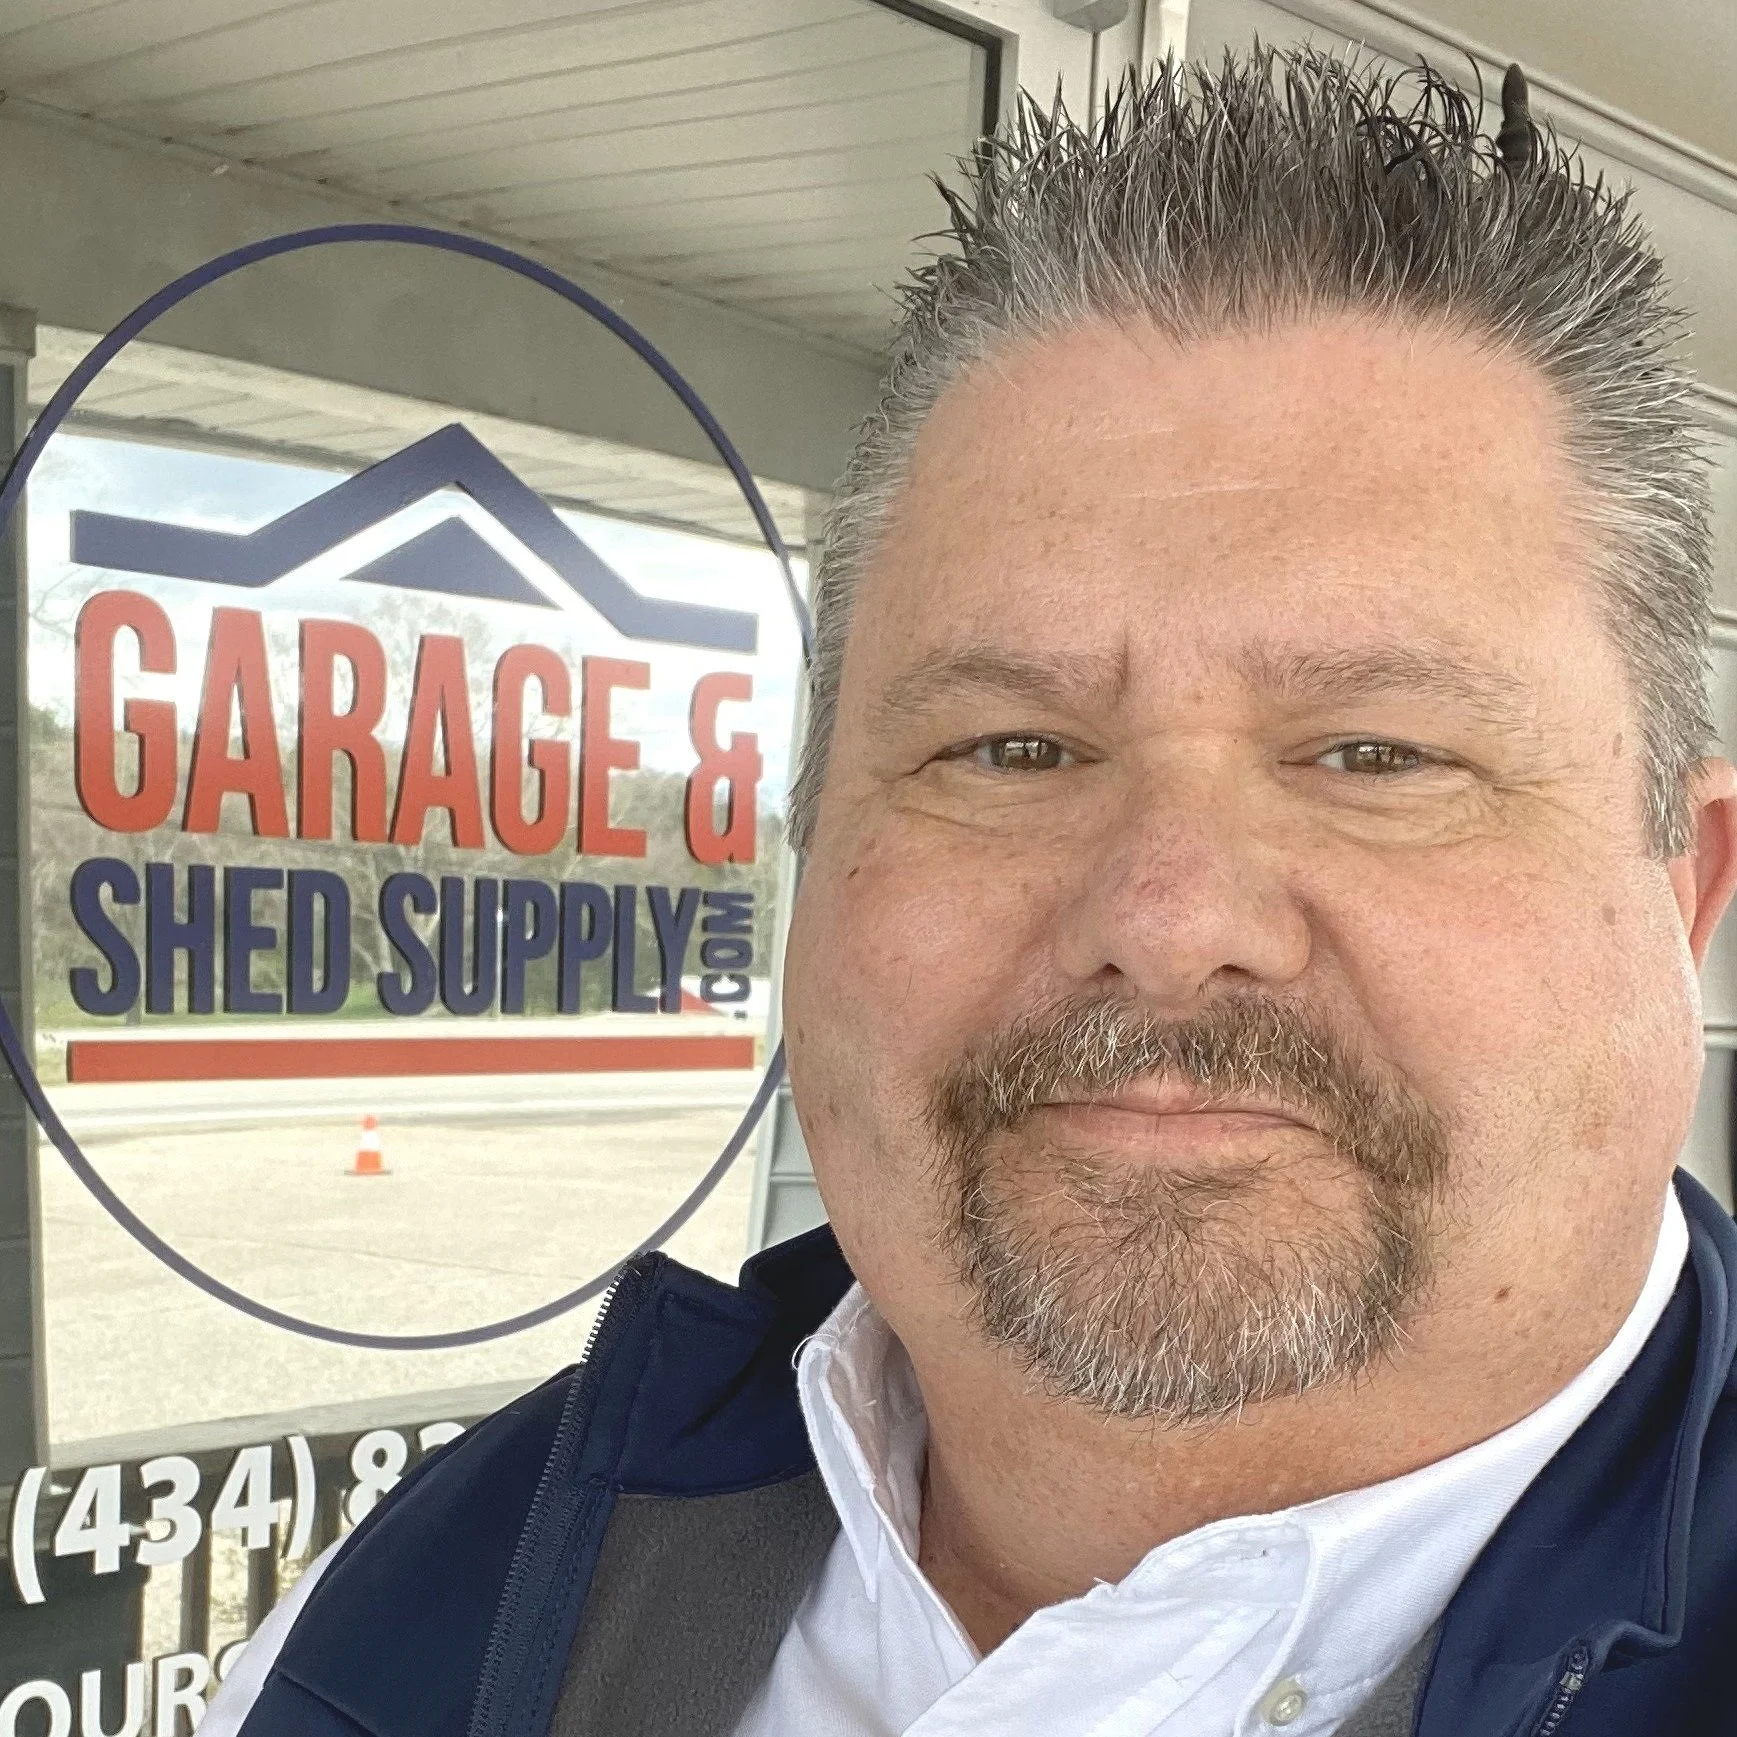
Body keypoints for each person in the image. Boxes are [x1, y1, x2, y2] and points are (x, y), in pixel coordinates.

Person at [208, 46, 1737, 1737]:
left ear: (1689, 887)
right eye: (1012, 750)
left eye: (1374, 754)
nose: (1165, 917)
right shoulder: (420, 1627)